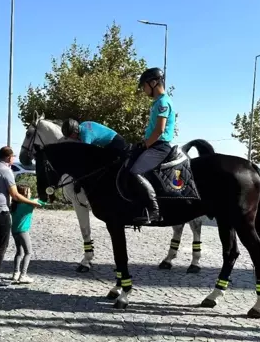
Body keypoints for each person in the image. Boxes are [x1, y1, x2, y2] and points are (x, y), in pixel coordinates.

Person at [0, 146, 40, 287]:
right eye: (13, 156)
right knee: (1, 244)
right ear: (9, 157)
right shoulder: (6, 171)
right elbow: (15, 194)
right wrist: (32, 202)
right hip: (0, 211)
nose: (13, 159)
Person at [129, 67, 176, 225]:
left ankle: (154, 210)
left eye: (144, 86)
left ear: (154, 83)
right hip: (153, 145)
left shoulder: (163, 102)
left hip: (159, 146)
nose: (143, 90)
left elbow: (159, 130)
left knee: (136, 172)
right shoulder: (157, 103)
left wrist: (145, 145)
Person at [10, 185, 45, 284]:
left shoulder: (15, 204)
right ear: (24, 194)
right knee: (28, 252)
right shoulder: (29, 204)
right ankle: (23, 275)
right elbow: (44, 203)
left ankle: (16, 273)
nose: (30, 194)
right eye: (29, 192)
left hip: (14, 230)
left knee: (19, 252)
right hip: (23, 231)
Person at [61, 119, 128, 156]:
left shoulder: (86, 136)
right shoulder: (83, 124)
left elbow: (85, 154)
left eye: (70, 136)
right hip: (114, 141)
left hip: (115, 143)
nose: (71, 138)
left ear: (75, 131)